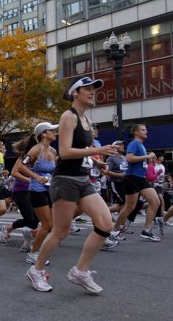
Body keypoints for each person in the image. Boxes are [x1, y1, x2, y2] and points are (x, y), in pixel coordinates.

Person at [25, 76, 117, 294]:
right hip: (65, 180)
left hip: (83, 179)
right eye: (88, 89)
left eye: (94, 88)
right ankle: (36, 270)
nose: (93, 92)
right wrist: (96, 151)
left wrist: (96, 161)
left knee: (105, 224)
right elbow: (65, 152)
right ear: (76, 93)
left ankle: (81, 271)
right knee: (60, 231)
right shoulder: (69, 116)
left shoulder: (87, 120)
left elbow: (78, 152)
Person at [8, 122, 57, 263]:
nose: (55, 132)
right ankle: (33, 254)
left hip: (49, 190)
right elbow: (22, 166)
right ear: (43, 134)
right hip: (36, 191)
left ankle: (30, 233)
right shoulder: (36, 150)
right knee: (47, 225)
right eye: (52, 130)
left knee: (52, 224)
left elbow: (55, 170)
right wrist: (35, 177)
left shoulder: (53, 152)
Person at [110, 124, 161, 242]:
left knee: (155, 201)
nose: (146, 131)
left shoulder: (141, 145)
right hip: (132, 178)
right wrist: (147, 156)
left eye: (146, 129)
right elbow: (129, 158)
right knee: (129, 207)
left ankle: (147, 231)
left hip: (141, 178)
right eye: (143, 130)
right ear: (136, 133)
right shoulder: (134, 143)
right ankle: (114, 230)